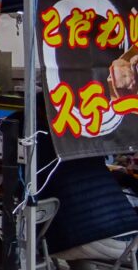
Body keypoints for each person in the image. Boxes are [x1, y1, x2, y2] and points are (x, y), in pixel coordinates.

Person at [24, 101, 138, 267]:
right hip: (131, 234)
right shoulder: (81, 135)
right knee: (76, 230)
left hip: (97, 238)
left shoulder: (38, 144)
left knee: (63, 234)